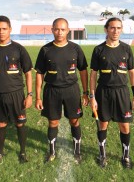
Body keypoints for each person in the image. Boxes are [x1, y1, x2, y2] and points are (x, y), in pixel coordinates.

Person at [34, 18, 89, 163]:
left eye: (63, 29)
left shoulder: (75, 49)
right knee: (53, 122)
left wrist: (85, 92)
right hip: (52, 91)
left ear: (68, 30)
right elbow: (39, 73)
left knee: (74, 121)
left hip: (72, 90)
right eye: (57, 29)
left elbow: (83, 70)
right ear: (52, 30)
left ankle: (77, 151)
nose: (59, 32)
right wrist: (38, 97)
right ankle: (52, 152)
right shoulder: (45, 49)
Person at [0, 15, 33, 165]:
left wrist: (30, 95)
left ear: (10, 29)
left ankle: (22, 152)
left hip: (16, 94)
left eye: (4, 28)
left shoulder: (19, 49)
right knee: (1, 124)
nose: (1, 31)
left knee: (20, 124)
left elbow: (28, 73)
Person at [89, 17, 134, 169]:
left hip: (122, 93)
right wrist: (92, 96)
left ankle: (125, 156)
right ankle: (102, 155)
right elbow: (93, 75)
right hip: (103, 93)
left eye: (118, 28)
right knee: (102, 125)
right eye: (112, 28)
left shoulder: (126, 49)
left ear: (121, 29)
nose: (115, 31)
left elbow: (132, 72)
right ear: (106, 29)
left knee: (125, 126)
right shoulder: (99, 50)